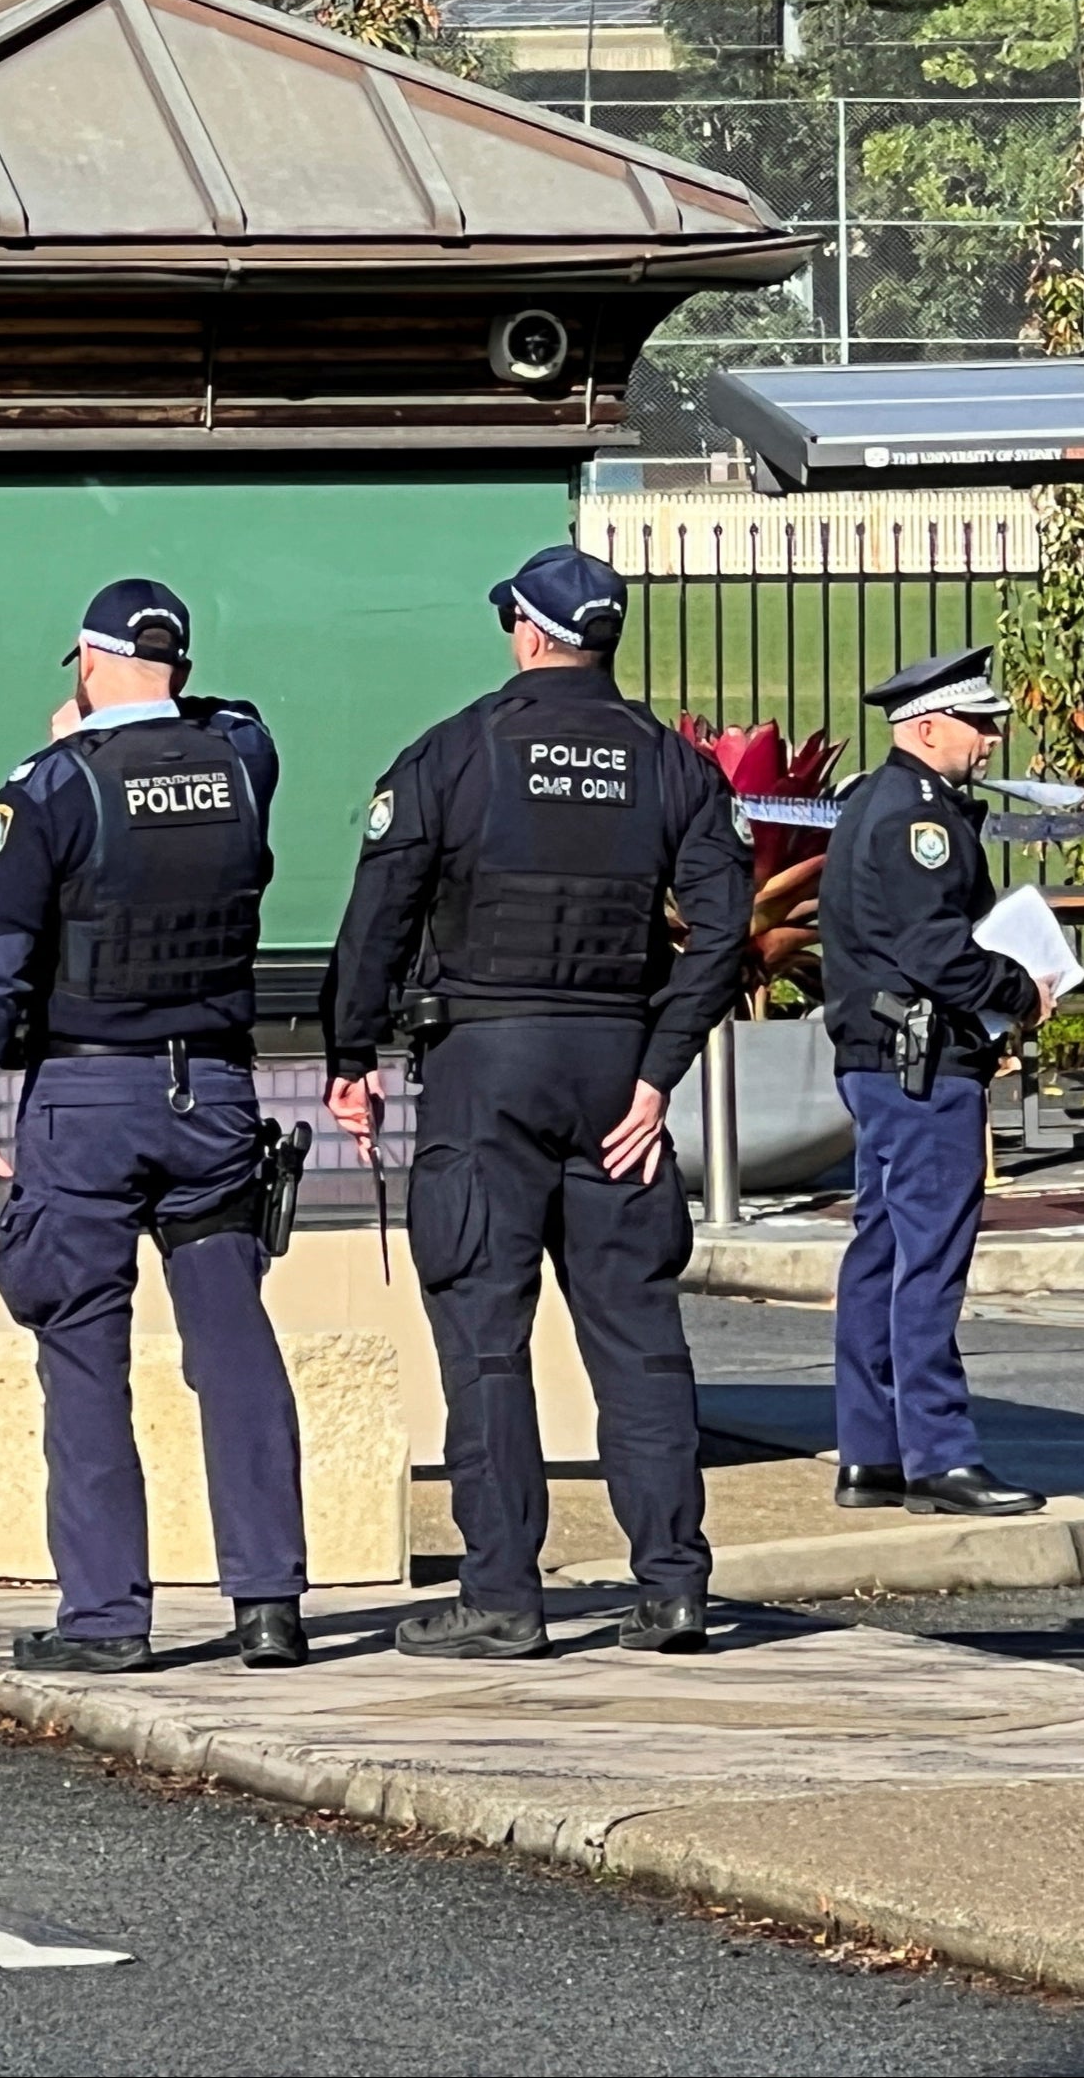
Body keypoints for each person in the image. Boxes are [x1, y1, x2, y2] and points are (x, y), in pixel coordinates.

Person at [323, 546, 752, 1660]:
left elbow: (379, 913)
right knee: (638, 1336)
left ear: (522, 629)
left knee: (486, 1339)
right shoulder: (670, 765)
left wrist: (348, 1052)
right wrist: (660, 1074)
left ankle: (503, 1595)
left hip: (486, 1073)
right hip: (619, 1076)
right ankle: (673, 1590)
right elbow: (723, 936)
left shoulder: (456, 754)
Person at [0, 578, 310, 1675]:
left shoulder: (53, 785)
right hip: (216, 1096)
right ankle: (269, 1603)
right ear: (178, 667)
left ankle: (105, 1618)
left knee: (83, 1349)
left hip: (88, 1098)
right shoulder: (243, 761)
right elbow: (227, 718)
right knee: (233, 1349)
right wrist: (146, 706)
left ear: (86, 664)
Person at [815, 643, 1057, 1520]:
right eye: (978, 723)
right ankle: (940, 1455)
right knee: (929, 1259)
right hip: (921, 1066)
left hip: (886, 1061)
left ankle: (871, 1450)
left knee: (880, 1252)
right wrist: (1017, 991)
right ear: (927, 726)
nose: (991, 740)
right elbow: (934, 950)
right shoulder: (914, 820)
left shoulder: (889, 806)